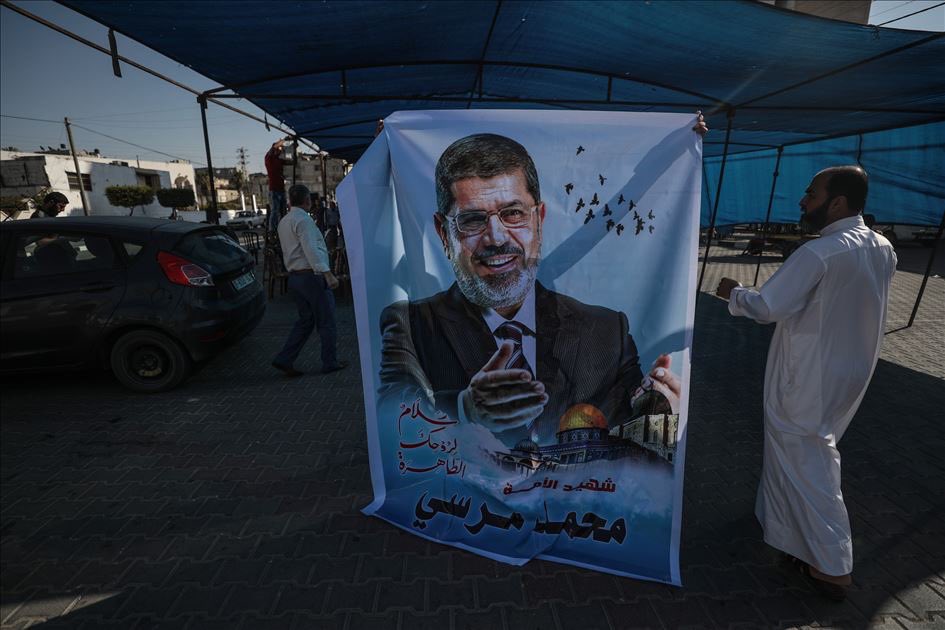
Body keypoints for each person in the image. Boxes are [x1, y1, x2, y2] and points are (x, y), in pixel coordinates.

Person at [380, 117, 706, 447]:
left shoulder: (608, 330)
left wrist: (658, 410)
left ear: (539, 220)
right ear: (443, 233)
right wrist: (465, 410)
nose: (496, 238)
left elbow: (630, 430)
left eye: (513, 213)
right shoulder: (411, 325)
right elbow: (392, 418)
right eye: (473, 220)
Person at [715, 165, 896, 601]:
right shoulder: (882, 247)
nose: (802, 200)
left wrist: (733, 293)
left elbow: (768, 306)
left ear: (837, 202)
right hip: (849, 370)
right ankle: (789, 536)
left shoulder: (820, 252)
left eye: (811, 193)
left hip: (809, 374)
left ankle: (833, 567)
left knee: (810, 463)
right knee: (798, 454)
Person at [272, 184, 347, 377]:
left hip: (295, 277)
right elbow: (310, 249)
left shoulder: (284, 221)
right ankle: (330, 362)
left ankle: (285, 358)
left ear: (290, 201)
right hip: (311, 276)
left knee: (305, 321)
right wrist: (327, 274)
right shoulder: (303, 221)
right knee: (326, 321)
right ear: (308, 201)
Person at [265, 138, 293, 232]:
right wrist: (284, 140)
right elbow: (274, 146)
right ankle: (272, 230)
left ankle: (283, 228)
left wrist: (293, 148)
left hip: (281, 189)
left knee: (283, 211)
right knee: (275, 210)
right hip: (274, 189)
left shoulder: (278, 160)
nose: (280, 151)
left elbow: (290, 162)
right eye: (279, 149)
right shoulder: (269, 158)